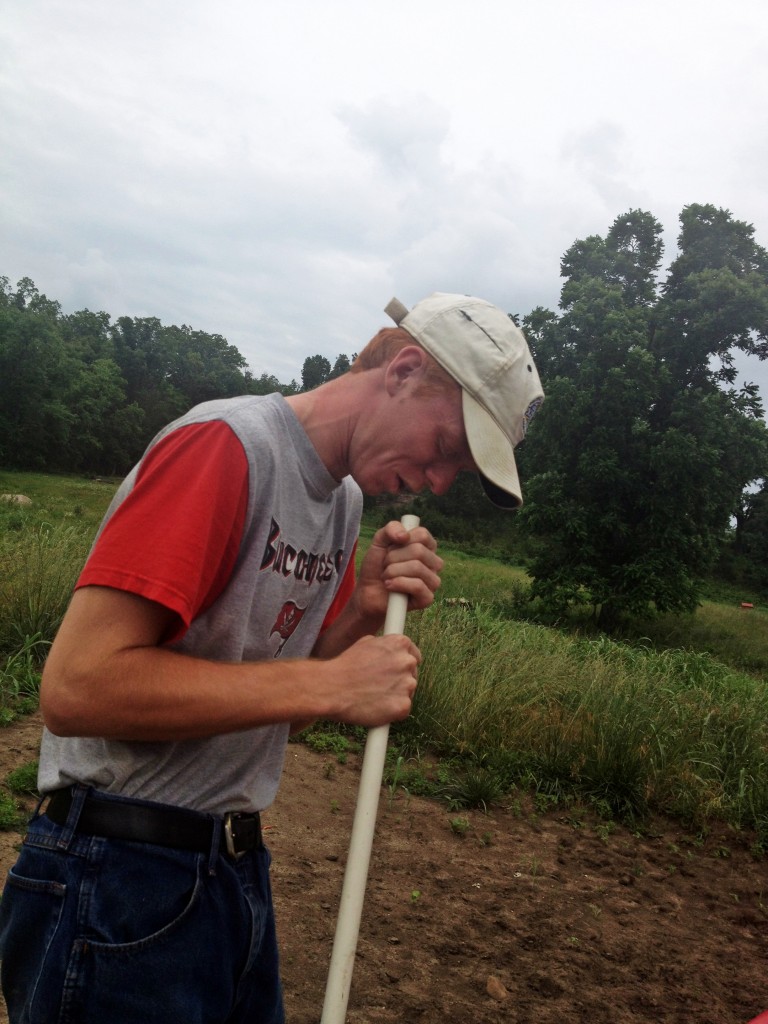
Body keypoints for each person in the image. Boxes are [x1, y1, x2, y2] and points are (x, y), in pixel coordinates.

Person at [0, 291, 543, 1024]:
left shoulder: (342, 503)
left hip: (227, 872)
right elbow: (78, 686)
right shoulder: (226, 447)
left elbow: (269, 717)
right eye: (448, 448)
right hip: (117, 875)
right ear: (406, 369)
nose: (442, 481)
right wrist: (326, 684)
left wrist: (356, 613)